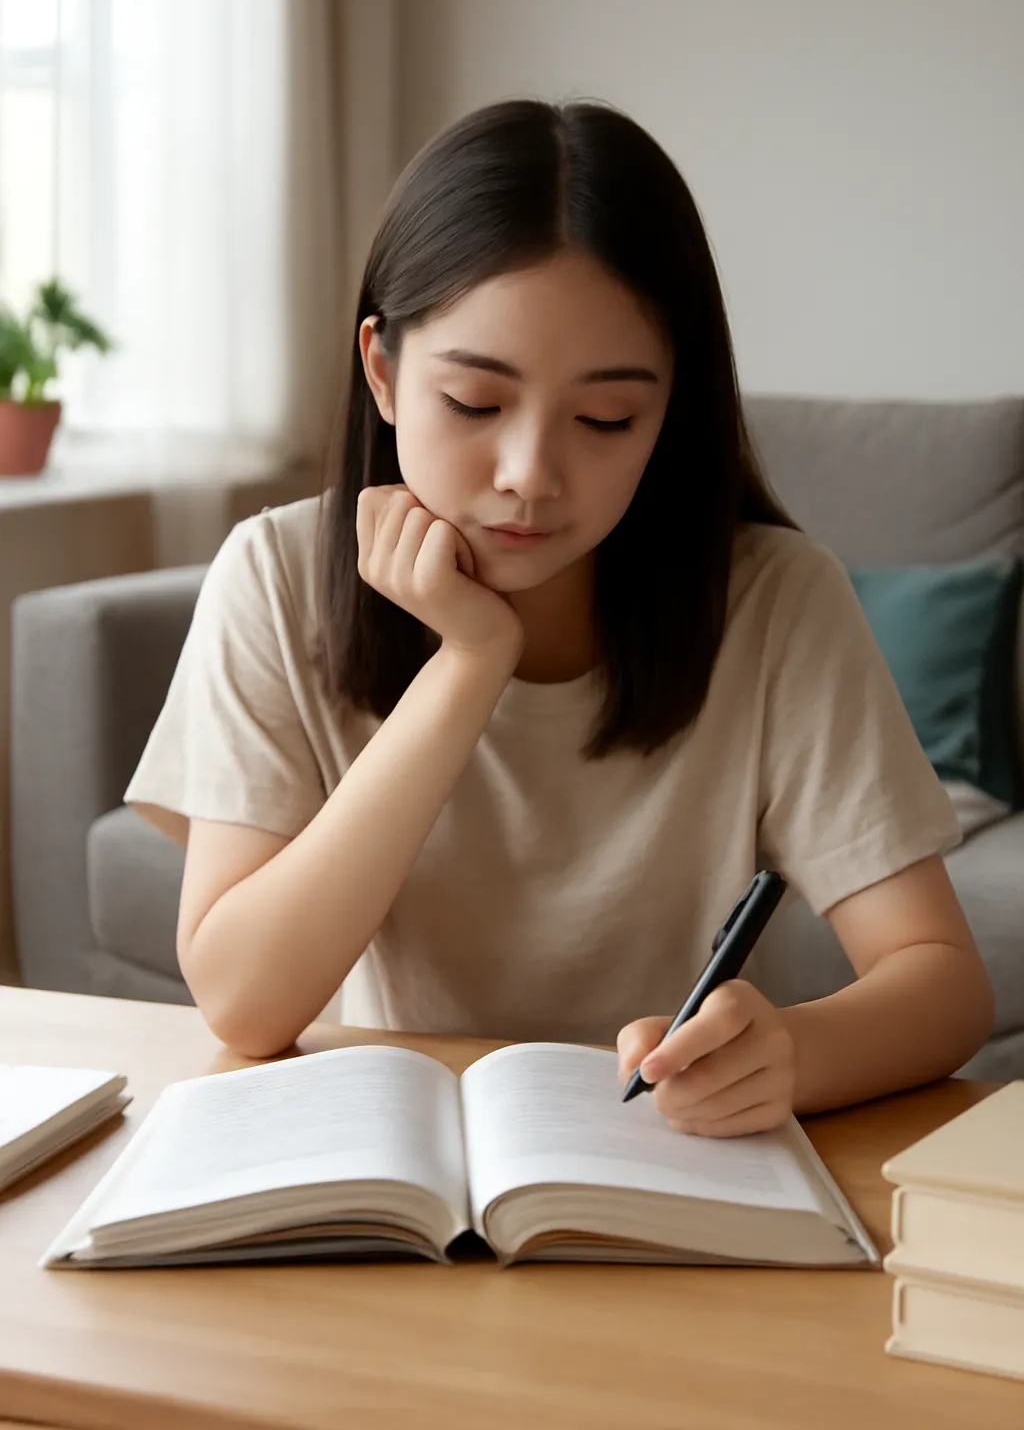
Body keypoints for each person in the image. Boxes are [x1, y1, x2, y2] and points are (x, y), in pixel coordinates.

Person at [125, 98, 994, 1139]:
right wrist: (470, 660)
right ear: (384, 370)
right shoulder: (273, 577)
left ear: (668, 412)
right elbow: (243, 1002)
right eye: (477, 405)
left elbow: (940, 983)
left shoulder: (773, 601)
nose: (530, 476)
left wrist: (793, 1054)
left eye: (605, 419)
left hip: (661, 1172)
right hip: (387, 1173)